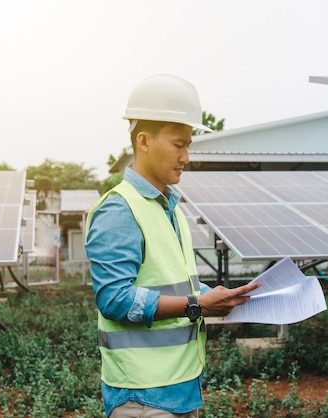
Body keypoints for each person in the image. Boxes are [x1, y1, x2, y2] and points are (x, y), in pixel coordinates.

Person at [85, 74, 260, 418]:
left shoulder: (171, 209)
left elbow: (177, 286)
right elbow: (115, 299)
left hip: (181, 388)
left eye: (188, 145)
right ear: (144, 141)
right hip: (141, 397)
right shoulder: (119, 209)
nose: (187, 156)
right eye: (178, 144)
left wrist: (220, 297)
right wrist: (197, 305)